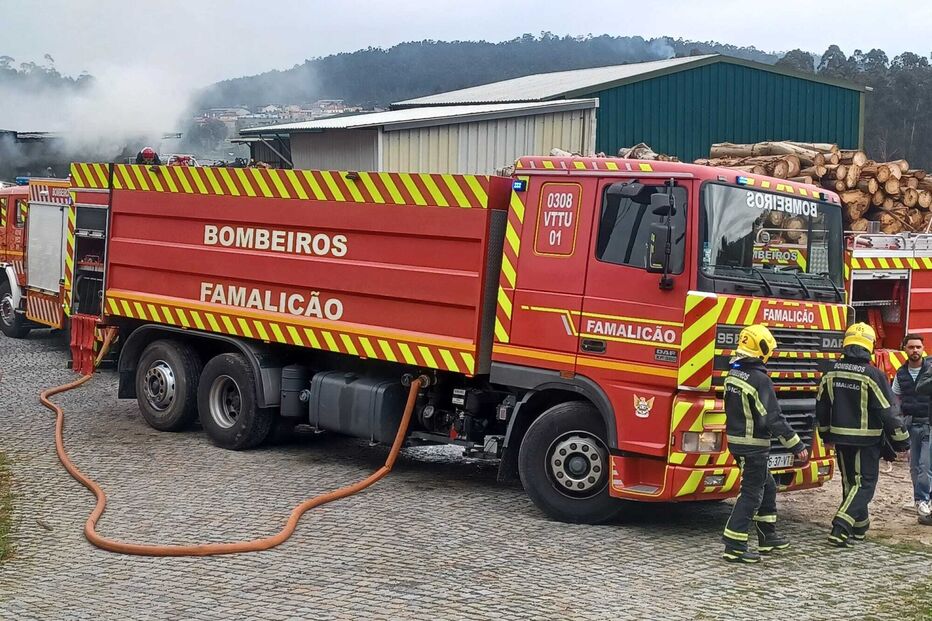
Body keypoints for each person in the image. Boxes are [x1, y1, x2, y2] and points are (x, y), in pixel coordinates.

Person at [816, 323, 910, 547]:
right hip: (866, 440)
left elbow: (821, 407)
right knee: (864, 484)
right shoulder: (873, 375)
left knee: (850, 483)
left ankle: (859, 528)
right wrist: (901, 440)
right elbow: (888, 411)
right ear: (869, 346)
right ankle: (840, 526)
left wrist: (825, 436)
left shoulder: (831, 372)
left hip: (839, 438)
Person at [721, 324, 809, 564]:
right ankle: (734, 544)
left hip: (738, 442)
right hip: (753, 446)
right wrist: (797, 445)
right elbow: (772, 417)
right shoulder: (760, 379)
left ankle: (767, 536)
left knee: (767, 486)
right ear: (761, 349)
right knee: (751, 493)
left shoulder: (734, 374)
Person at [892, 334, 932, 521]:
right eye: (911, 347)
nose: (915, 350)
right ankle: (921, 500)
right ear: (905, 349)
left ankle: (924, 499)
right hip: (910, 424)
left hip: (929, 424)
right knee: (914, 467)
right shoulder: (900, 374)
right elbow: (895, 401)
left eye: (918, 347)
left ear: (923, 349)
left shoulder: (930, 370)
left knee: (926, 466)